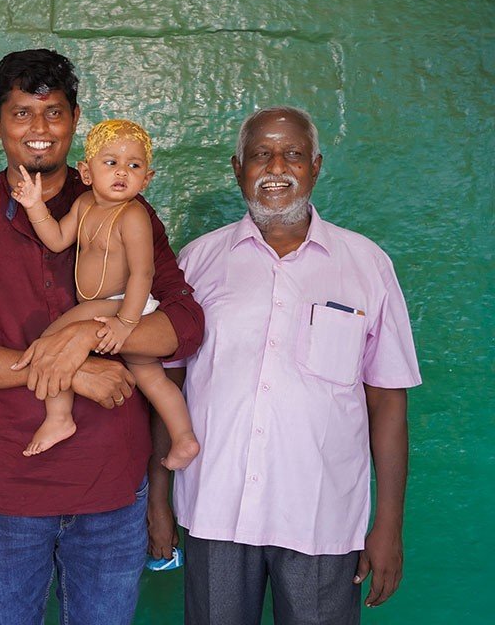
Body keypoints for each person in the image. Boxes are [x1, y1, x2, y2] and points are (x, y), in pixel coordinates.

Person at [0, 49, 203, 623]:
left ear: (75, 119)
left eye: (53, 113)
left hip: (112, 488)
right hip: (9, 488)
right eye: (22, 113)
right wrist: (73, 366)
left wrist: (94, 336)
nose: (39, 129)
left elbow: (185, 323)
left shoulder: (127, 208)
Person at [150, 106, 421, 624]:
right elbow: (170, 383)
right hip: (215, 509)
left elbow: (388, 399)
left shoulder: (366, 265)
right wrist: (157, 499)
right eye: (261, 155)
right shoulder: (196, 263)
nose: (277, 167)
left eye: (292, 154)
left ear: (315, 166)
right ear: (237, 168)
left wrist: (388, 523)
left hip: (321, 515)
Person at [9, 119, 199, 466]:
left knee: (54, 337)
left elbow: (144, 272)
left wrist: (127, 322)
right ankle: (184, 438)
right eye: (111, 163)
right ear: (85, 171)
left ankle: (59, 417)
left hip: (123, 305)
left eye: (134, 165)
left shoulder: (134, 215)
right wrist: (35, 206)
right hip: (106, 305)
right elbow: (55, 238)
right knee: (150, 376)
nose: (122, 172)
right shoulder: (84, 206)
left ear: (147, 178)